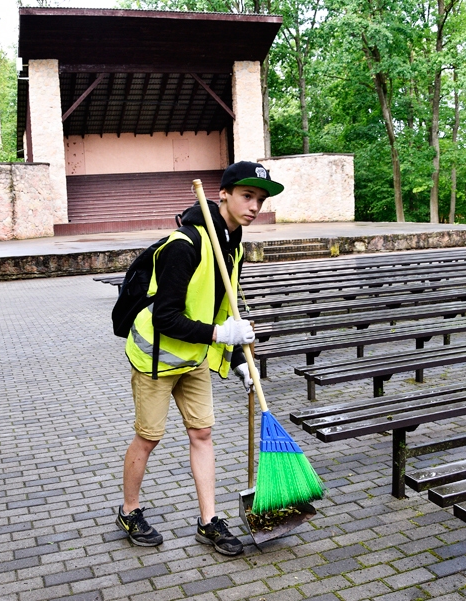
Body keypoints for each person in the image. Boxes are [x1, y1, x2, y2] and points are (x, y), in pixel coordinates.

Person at [116, 161, 284, 556]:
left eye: (259, 199)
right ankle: (129, 511)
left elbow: (221, 305)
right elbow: (167, 317)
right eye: (247, 196)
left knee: (202, 434)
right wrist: (219, 334)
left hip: (194, 359)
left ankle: (208, 521)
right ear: (222, 194)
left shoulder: (233, 244)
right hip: (155, 359)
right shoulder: (184, 244)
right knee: (149, 437)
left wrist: (236, 357)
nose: (254, 206)